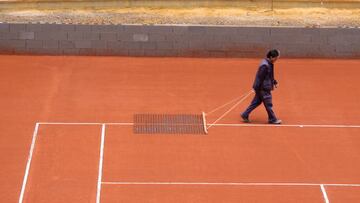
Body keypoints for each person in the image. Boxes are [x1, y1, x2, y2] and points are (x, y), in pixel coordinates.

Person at [241, 49, 282, 124]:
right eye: (276, 58)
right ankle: (272, 119)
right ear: (271, 57)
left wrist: (274, 82)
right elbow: (260, 78)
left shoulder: (268, 63)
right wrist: (255, 88)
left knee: (256, 102)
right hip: (263, 89)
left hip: (262, 88)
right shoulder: (265, 65)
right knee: (268, 104)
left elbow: (269, 76)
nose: (276, 60)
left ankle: (245, 114)